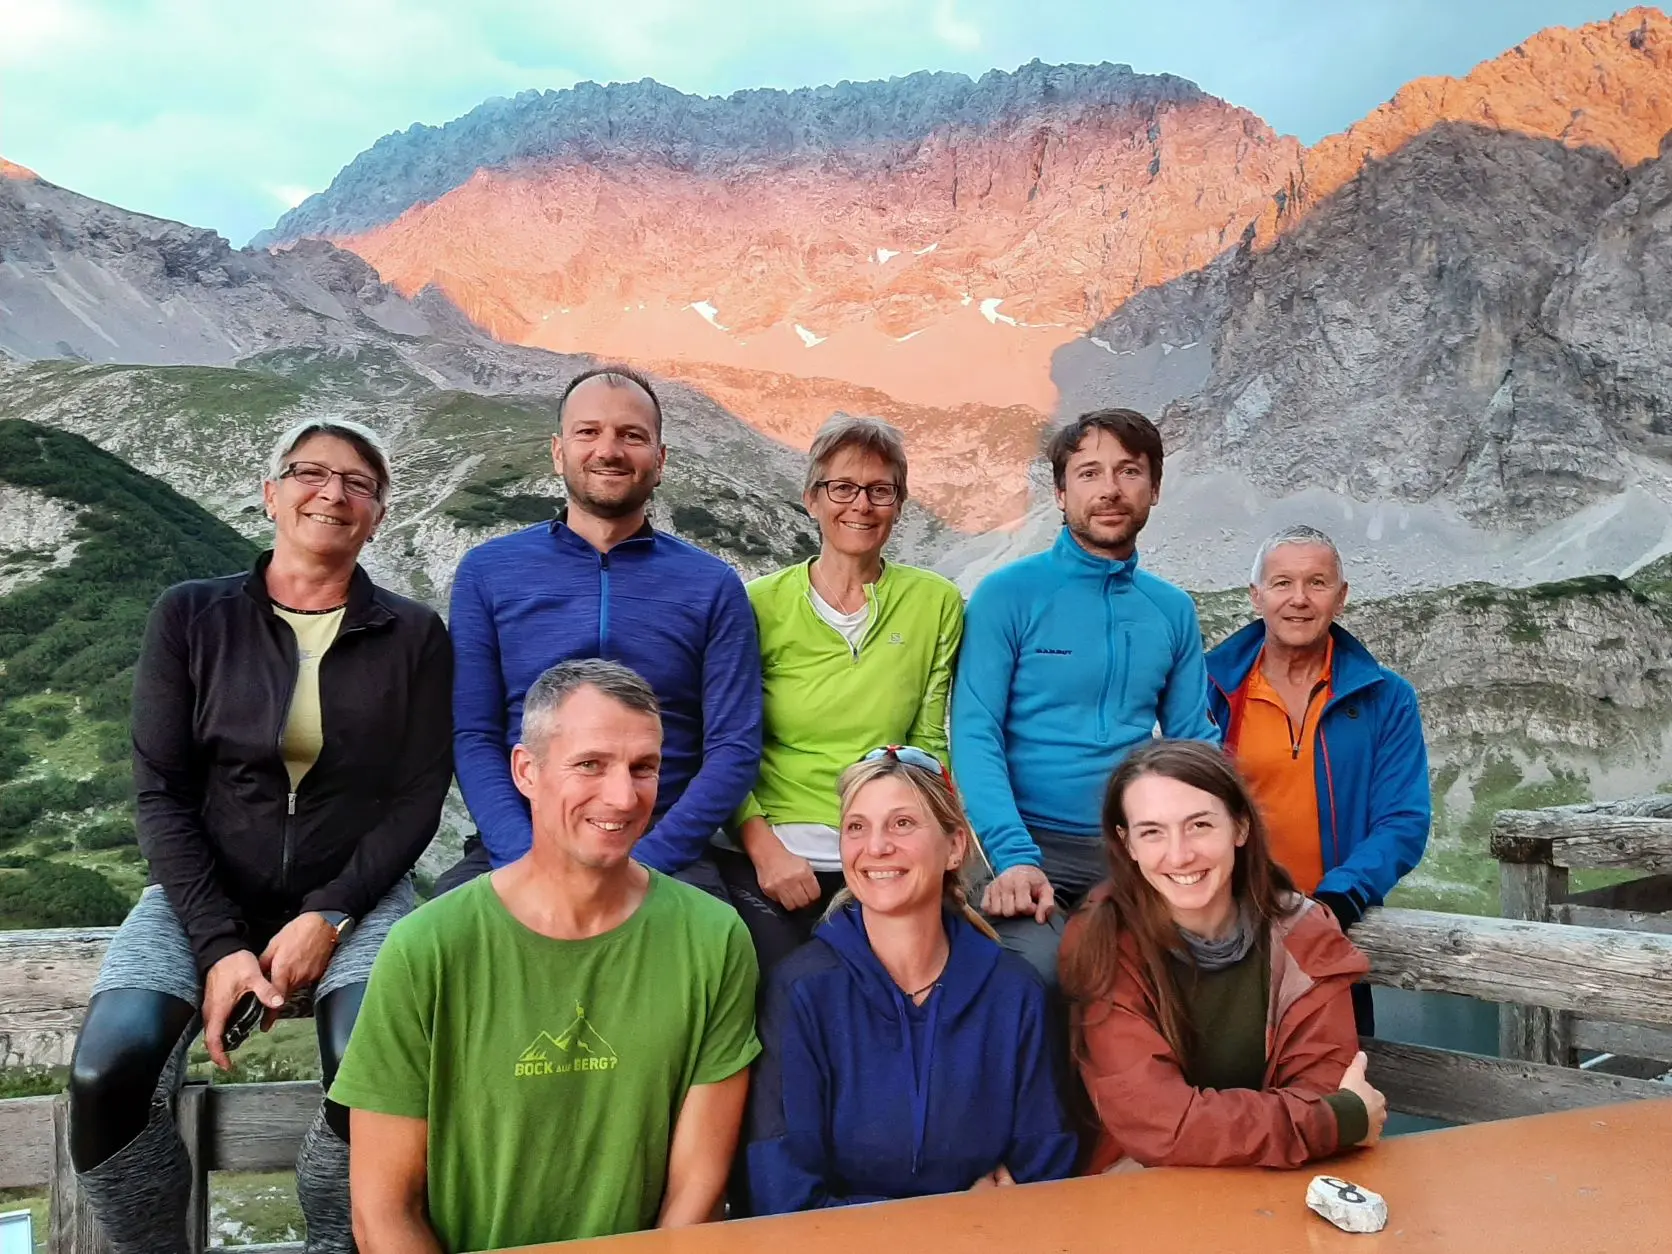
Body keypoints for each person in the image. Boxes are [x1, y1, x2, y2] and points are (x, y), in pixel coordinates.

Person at [68, 419, 453, 1254]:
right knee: (107, 1073)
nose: (333, 493)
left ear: (379, 514)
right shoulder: (191, 616)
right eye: (309, 473)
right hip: (202, 893)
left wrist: (331, 914)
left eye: (358, 482)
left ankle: (331, 1240)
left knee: (374, 1074)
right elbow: (160, 791)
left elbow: (419, 798)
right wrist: (217, 945)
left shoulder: (415, 634)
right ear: (272, 494)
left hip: (354, 893)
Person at [333, 659, 760, 1253]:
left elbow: (698, 1189)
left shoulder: (714, 939)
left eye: (644, 768)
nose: (622, 795)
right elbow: (383, 1211)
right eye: (591, 764)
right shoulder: (427, 949)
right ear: (527, 771)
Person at [441, 364, 762, 898]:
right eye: (588, 432)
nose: (608, 450)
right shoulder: (488, 572)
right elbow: (473, 734)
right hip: (523, 841)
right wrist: (528, 859)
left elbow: (733, 746)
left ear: (659, 461)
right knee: (419, 963)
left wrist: (648, 863)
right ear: (557, 450)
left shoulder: (713, 586)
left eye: (631, 435)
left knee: (727, 968)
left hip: (665, 851)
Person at [951, 408, 1219, 983]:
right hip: (1018, 839)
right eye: (1090, 473)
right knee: (1039, 974)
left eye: (1129, 472)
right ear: (1061, 492)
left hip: (1128, 846)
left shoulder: (1171, 609)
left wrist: (1223, 839)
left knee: (1182, 970)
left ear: (1154, 489)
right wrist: (1013, 857)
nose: (1110, 490)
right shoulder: (1006, 595)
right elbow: (974, 734)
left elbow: (1194, 740)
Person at [748, 746, 1077, 1212]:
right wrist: (948, 1222)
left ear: (956, 846)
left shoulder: (1014, 991)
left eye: (902, 823)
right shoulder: (801, 991)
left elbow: (1045, 1170)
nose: (876, 846)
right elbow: (782, 1193)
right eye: (856, 827)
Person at [1060, 739, 1386, 1171]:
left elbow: (1322, 1085)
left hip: (1284, 1177)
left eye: (1199, 825)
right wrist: (1336, 1120)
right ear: (1127, 845)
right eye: (1152, 832)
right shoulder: (1101, 941)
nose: (1179, 855)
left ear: (1240, 827)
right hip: (1144, 1183)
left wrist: (1319, 1116)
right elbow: (1162, 1125)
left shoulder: (1304, 936)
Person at [721, 416, 965, 972]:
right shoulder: (757, 604)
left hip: (886, 850)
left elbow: (927, 742)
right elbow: (729, 741)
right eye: (842, 488)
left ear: (899, 504)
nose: (862, 504)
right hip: (780, 852)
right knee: (791, 989)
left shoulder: (936, 603)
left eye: (881, 490)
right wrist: (765, 851)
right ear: (812, 498)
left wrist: (940, 843)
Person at [1206, 524, 1430, 1033]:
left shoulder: (1386, 698)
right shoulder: (1210, 689)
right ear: (1256, 596)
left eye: (1317, 582)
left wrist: (1336, 902)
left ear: (1342, 597)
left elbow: (1403, 820)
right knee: (1226, 1093)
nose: (1299, 600)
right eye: (1282, 583)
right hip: (1222, 928)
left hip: (1329, 930)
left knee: (1336, 1095)